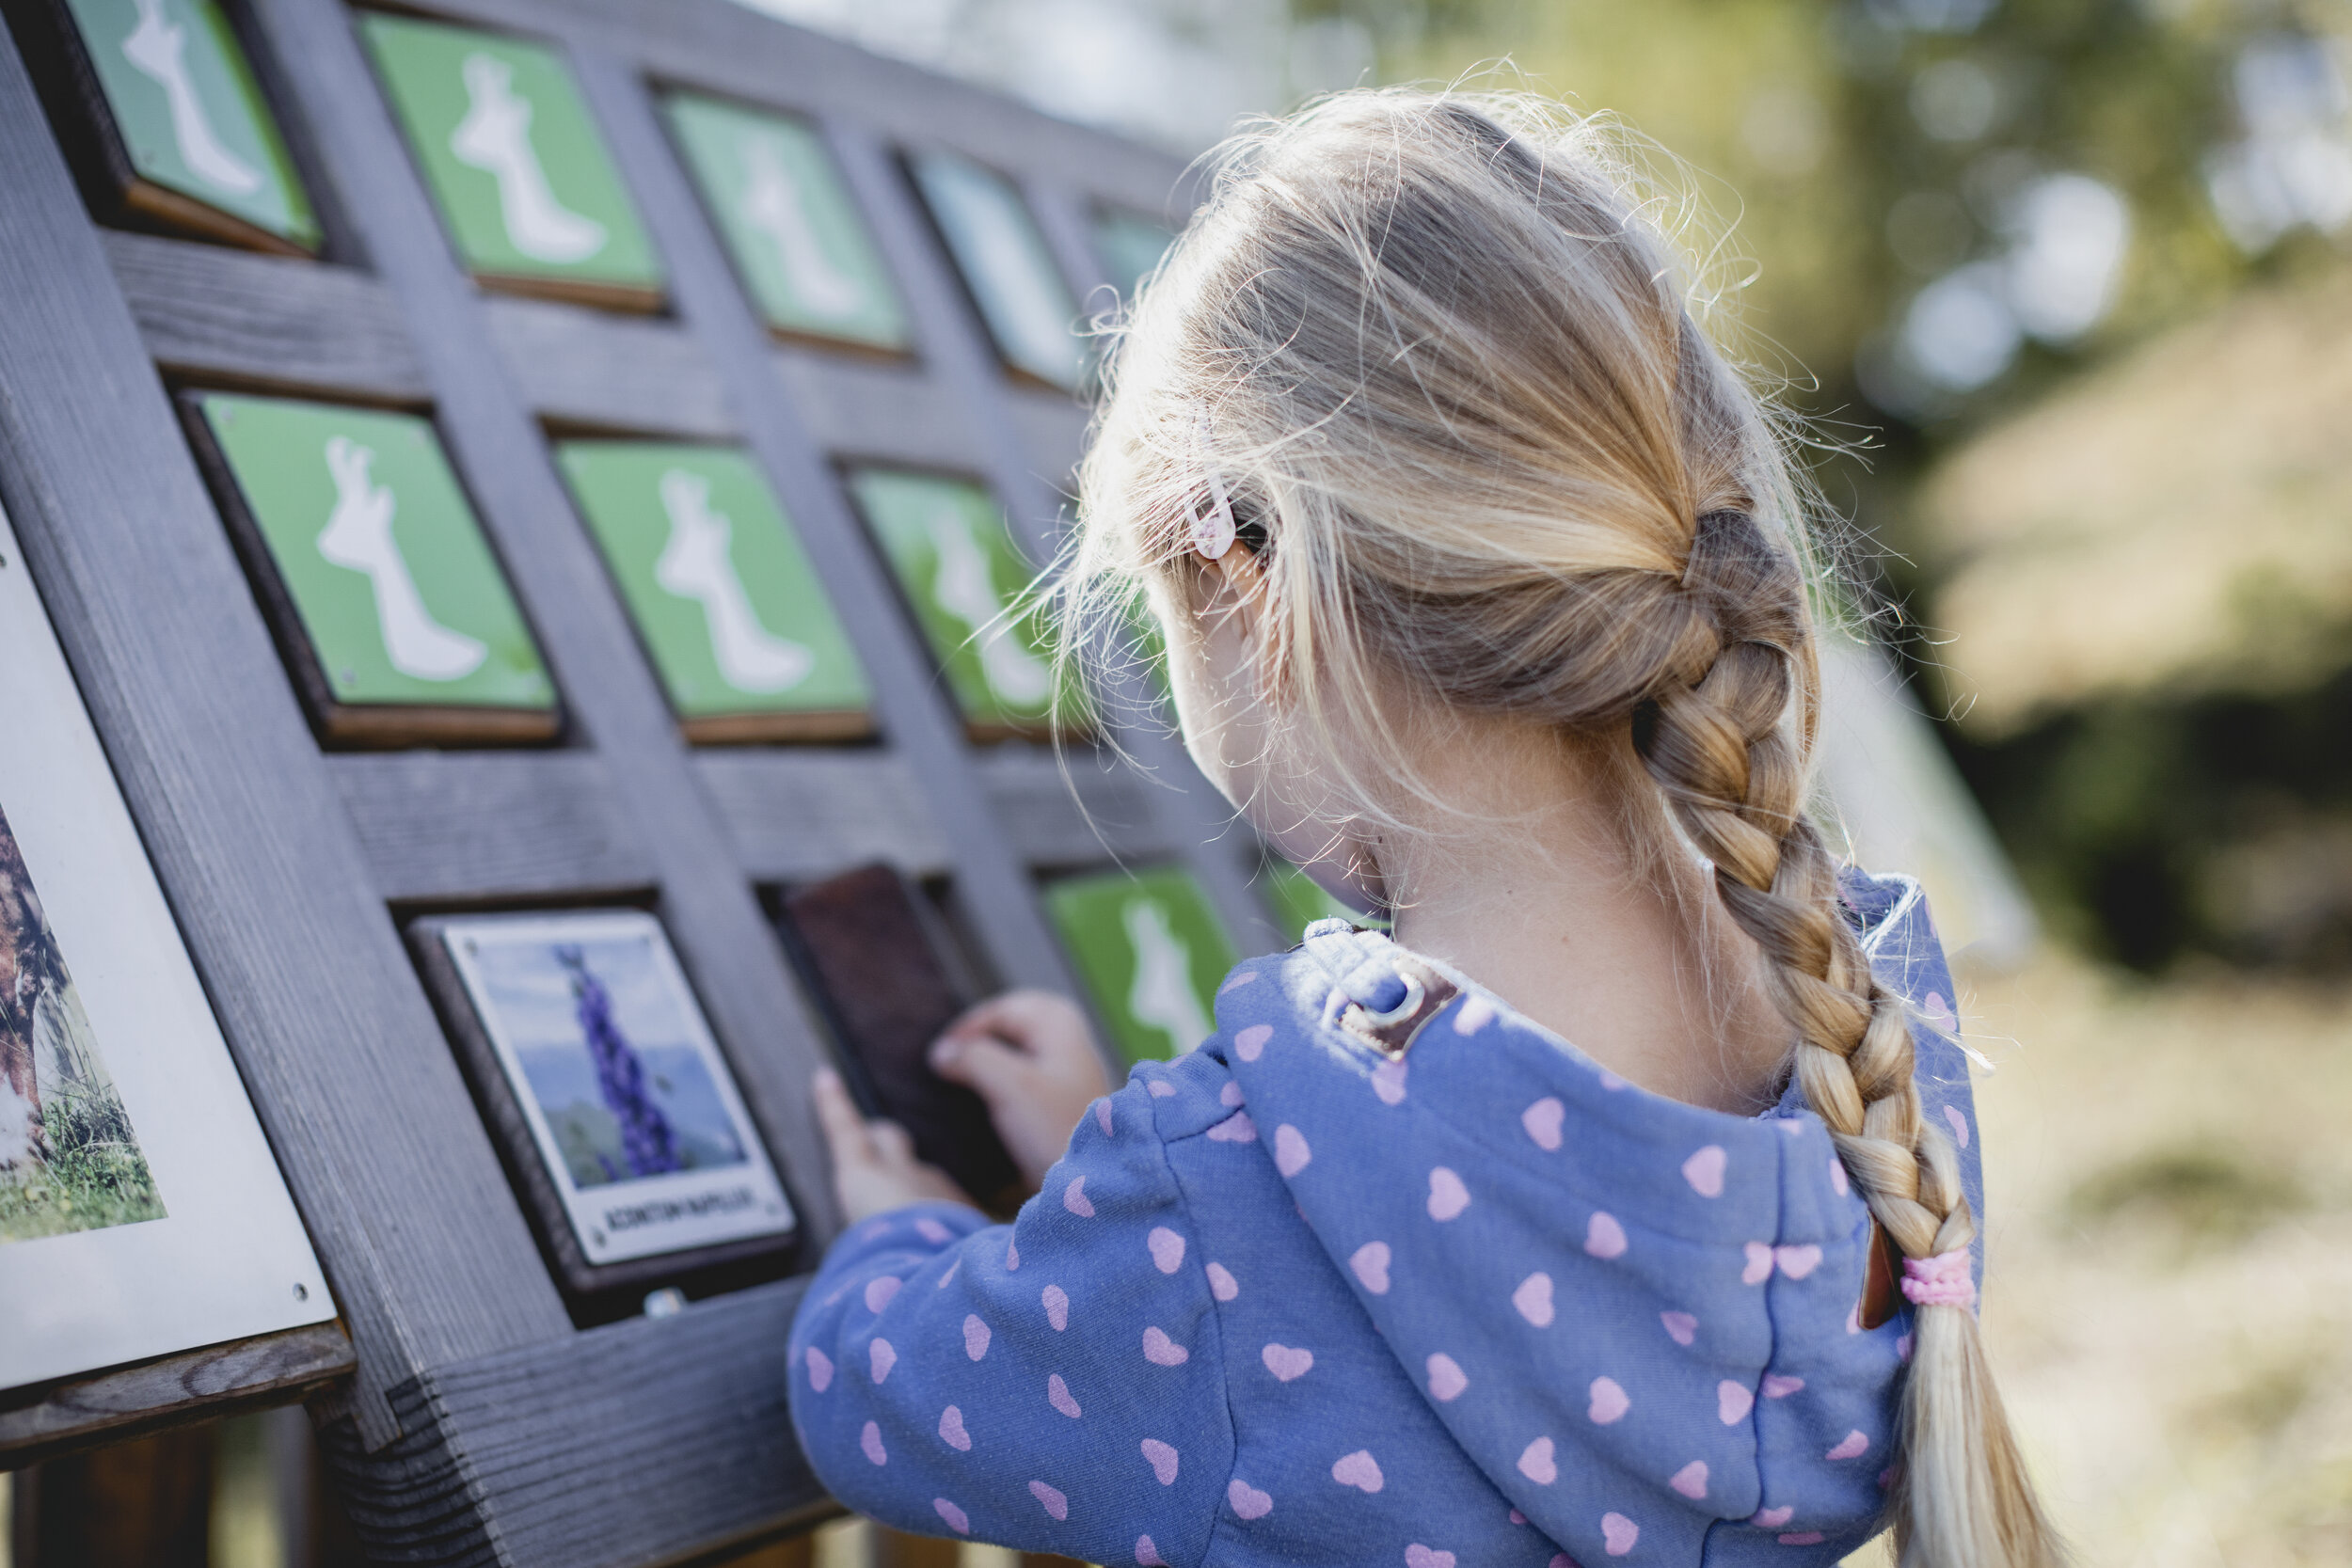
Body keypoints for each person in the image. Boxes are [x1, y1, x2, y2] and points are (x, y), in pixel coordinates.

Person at [789, 87, 2060, 1568]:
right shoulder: (1876, 1063)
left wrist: (902, 1234)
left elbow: (867, 1398)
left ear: (1243, 580)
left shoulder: (1212, 1207)